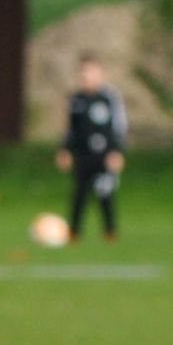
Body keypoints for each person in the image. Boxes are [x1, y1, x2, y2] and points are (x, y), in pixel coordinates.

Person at [56, 53, 126, 243]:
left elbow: (117, 127)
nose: (87, 77)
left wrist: (117, 152)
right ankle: (74, 232)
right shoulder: (76, 100)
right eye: (84, 73)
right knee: (79, 194)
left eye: (92, 72)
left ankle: (110, 231)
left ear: (102, 74)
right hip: (83, 155)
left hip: (103, 156)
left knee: (105, 194)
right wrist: (65, 151)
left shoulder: (109, 99)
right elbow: (71, 129)